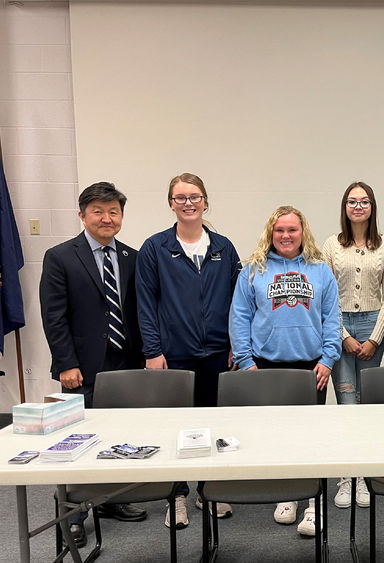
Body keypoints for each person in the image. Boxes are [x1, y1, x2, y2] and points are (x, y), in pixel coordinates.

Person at [39, 182, 147, 547]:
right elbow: (53, 316)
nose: (106, 218)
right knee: (81, 439)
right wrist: (65, 362)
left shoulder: (132, 257)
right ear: (82, 214)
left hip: (126, 361)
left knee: (121, 436)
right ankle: (73, 513)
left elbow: (139, 311)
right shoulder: (60, 256)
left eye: (113, 211)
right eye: (98, 211)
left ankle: (112, 500)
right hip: (82, 366)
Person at [136, 173, 240, 529]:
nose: (188, 203)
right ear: (171, 203)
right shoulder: (155, 248)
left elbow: (237, 303)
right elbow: (146, 304)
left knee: (213, 422)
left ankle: (210, 488)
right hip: (172, 354)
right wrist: (152, 350)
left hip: (217, 353)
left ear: (205, 202)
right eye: (180, 197)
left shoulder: (223, 248)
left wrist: (234, 345)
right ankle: (177, 494)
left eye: (194, 196)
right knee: (176, 426)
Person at [230, 205, 341, 537]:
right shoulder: (251, 270)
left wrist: (328, 359)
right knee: (276, 439)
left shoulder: (321, 271)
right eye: (280, 230)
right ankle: (287, 497)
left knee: (310, 439)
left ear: (303, 232)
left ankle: (312, 504)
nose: (286, 236)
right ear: (270, 233)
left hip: (311, 367)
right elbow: (238, 319)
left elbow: (332, 320)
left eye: (292, 230)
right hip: (266, 366)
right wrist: (246, 362)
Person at [322, 181, 384, 510]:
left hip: (371, 327)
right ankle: (346, 476)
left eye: (364, 201)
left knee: (365, 405)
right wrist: (343, 336)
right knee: (346, 402)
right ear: (345, 207)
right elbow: (325, 298)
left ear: (372, 207)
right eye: (352, 201)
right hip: (339, 328)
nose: (358, 207)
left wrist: (375, 337)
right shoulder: (331, 245)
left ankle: (364, 477)